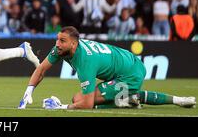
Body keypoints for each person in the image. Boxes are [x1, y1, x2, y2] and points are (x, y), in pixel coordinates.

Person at [18, 26, 196, 110]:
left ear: (74, 45)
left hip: (130, 73)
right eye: (57, 39)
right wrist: (28, 94)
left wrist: (61, 107)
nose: (57, 44)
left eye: (62, 41)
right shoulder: (60, 49)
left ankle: (125, 100)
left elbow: (86, 105)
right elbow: (41, 69)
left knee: (80, 100)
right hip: (127, 63)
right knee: (81, 98)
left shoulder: (85, 60)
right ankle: (179, 100)